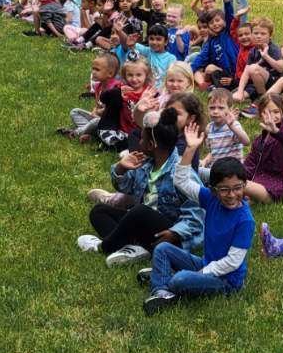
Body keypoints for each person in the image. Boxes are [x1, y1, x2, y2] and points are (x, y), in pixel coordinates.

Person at [76, 109, 203, 266]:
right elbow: (125, 187)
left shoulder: (182, 174)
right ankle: (136, 249)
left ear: (151, 145)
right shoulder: (144, 165)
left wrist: (175, 233)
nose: (139, 142)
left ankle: (103, 246)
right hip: (143, 227)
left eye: (142, 139)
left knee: (139, 211)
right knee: (99, 211)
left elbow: (197, 214)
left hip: (168, 235)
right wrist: (121, 168)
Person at [142, 157, 256, 315]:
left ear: (244, 185)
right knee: (163, 249)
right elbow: (181, 181)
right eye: (224, 189)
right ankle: (161, 291)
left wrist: (201, 273)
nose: (231, 194)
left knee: (179, 280)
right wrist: (190, 149)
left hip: (226, 280)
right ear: (214, 190)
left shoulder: (245, 221)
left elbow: (233, 262)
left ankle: (162, 275)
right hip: (206, 263)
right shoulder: (211, 199)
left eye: (237, 188)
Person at [242, 92, 283, 203]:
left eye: (276, 112)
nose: (271, 117)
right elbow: (251, 162)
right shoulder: (259, 140)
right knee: (233, 179)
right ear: (260, 115)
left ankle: (244, 197)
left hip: (275, 186)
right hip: (257, 181)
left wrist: (277, 132)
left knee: (238, 185)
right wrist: (239, 172)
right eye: (266, 112)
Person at [59, 52, 121, 141]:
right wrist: (94, 111)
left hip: (111, 125)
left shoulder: (115, 88)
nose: (93, 72)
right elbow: (97, 105)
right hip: (99, 120)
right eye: (93, 69)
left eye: (97, 70)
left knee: (95, 121)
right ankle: (90, 133)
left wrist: (98, 112)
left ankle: (75, 132)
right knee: (75, 112)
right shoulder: (98, 86)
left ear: (110, 74)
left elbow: (113, 110)